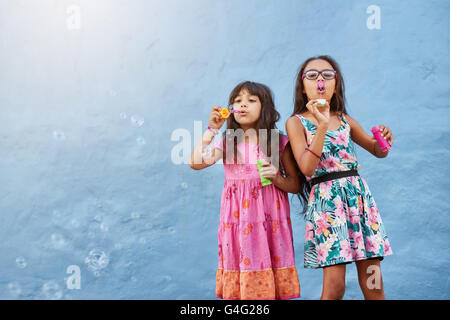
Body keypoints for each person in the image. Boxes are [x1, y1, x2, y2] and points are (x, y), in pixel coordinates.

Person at [286, 56, 393, 300]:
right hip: (328, 207)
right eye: (312, 75)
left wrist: (384, 139)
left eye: (327, 74)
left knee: (374, 283)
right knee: (335, 287)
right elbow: (307, 168)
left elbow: (378, 151)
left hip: (359, 203)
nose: (320, 80)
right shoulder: (296, 122)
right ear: (303, 87)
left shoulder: (345, 120)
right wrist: (322, 125)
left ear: (336, 84)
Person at [189, 81, 301, 300]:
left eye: (251, 100)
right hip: (238, 223)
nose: (243, 105)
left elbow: (295, 185)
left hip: (270, 222)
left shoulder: (277, 142)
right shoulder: (227, 141)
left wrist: (276, 178)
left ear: (264, 107)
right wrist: (212, 130)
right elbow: (195, 162)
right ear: (231, 110)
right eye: (237, 101)